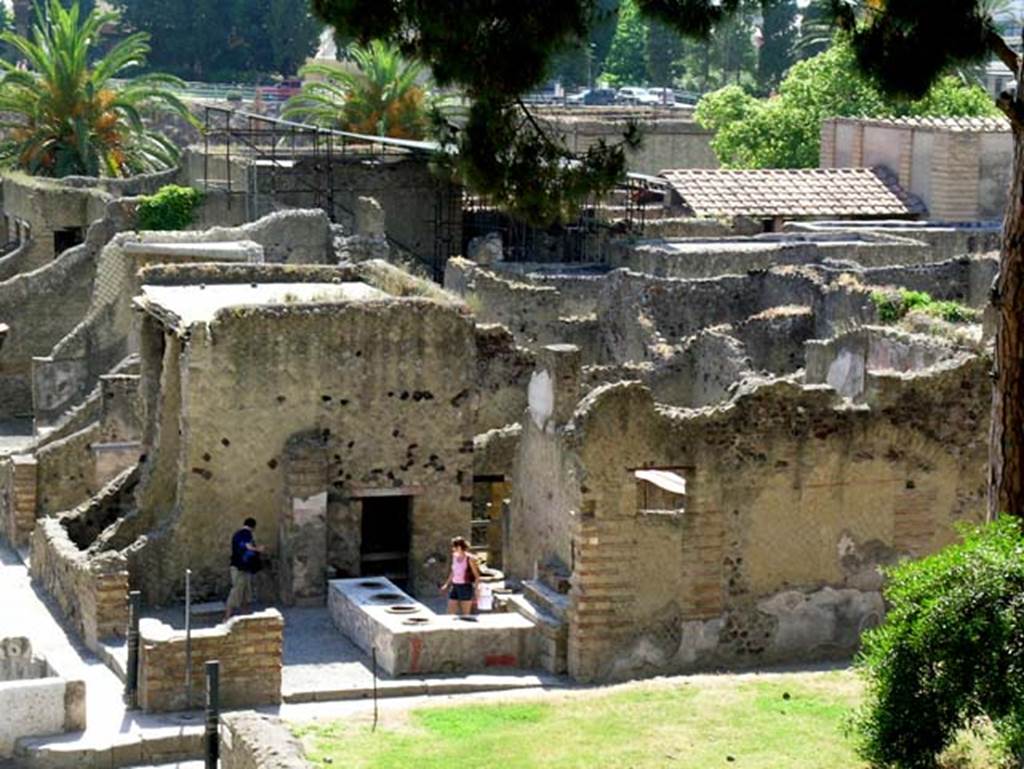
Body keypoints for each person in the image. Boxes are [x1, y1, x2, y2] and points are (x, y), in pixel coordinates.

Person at [224, 517, 265, 620]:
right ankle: (227, 617)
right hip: (240, 568)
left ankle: (245, 617)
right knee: (237, 592)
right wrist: (258, 549)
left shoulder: (237, 534)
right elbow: (247, 546)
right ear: (253, 527)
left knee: (245, 593)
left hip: (242, 568)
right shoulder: (246, 533)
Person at [440, 536, 481, 616]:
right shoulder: (454, 556)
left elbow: (477, 576)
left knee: (465, 614)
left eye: (453, 547)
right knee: (450, 613)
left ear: (458, 547)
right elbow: (453, 571)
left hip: (465, 587)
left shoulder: (469, 559)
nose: (452, 549)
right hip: (455, 586)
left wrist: (476, 590)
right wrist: (446, 584)